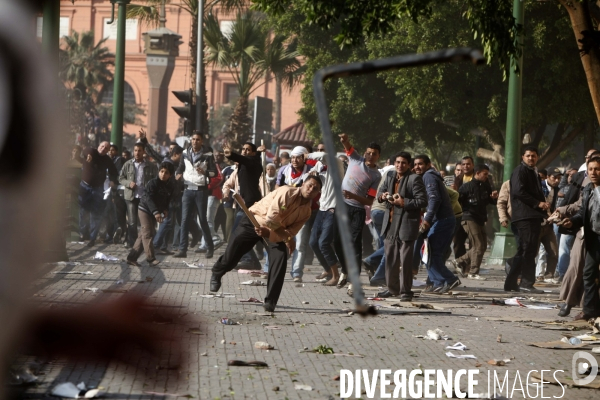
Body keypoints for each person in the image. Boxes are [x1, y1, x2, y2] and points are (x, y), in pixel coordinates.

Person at [210, 177, 322, 312]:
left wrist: (277, 236)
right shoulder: (287, 192)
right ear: (303, 184)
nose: (310, 190)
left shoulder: (306, 212)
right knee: (232, 256)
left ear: (318, 193)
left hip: (273, 233)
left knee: (280, 259)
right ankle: (217, 272)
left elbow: (291, 232)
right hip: (254, 221)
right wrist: (284, 236)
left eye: (315, 189)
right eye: (309, 186)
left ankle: (270, 301)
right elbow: (271, 218)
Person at [375, 152, 427, 300]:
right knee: (390, 258)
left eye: (403, 163)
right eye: (397, 162)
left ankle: (405, 292)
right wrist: (383, 196)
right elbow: (380, 193)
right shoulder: (390, 175)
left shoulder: (414, 179)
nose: (400, 165)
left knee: (405, 260)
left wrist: (404, 202)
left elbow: (422, 201)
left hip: (406, 224)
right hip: (391, 223)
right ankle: (392, 289)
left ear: (408, 165)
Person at [335, 134, 382, 296]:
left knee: (355, 245)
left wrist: (353, 196)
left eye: (374, 153)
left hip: (357, 210)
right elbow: (348, 146)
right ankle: (345, 270)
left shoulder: (377, 176)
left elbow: (369, 201)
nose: (370, 155)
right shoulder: (355, 159)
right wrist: (344, 140)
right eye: (368, 152)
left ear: (378, 156)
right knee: (336, 241)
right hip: (342, 207)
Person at [413, 155, 461, 292]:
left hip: (442, 220)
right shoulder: (428, 176)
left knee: (430, 253)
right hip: (442, 220)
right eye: (415, 164)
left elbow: (434, 199)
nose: (417, 167)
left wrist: (427, 220)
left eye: (420, 164)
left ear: (428, 164)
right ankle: (439, 282)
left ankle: (449, 279)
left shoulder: (429, 176)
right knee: (430, 253)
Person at [561, 155, 600, 320]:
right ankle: (590, 311)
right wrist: (571, 222)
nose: (594, 172)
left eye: (597, 169)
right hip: (594, 239)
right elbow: (583, 213)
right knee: (588, 273)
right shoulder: (587, 190)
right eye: (590, 169)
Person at [505, 146, 548, 294]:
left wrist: (543, 207)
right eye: (528, 156)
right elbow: (518, 191)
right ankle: (526, 283)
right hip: (524, 216)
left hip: (532, 215)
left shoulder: (533, 172)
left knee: (526, 249)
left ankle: (511, 282)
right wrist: (537, 203)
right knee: (528, 250)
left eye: (534, 156)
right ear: (522, 157)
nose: (531, 158)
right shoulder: (520, 171)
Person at [276, 145, 320, 282]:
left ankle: (296, 272)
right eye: (293, 157)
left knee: (300, 243)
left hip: (303, 212)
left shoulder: (311, 173)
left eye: (298, 157)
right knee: (277, 239)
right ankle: (271, 268)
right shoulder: (284, 171)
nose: (294, 160)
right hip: (285, 211)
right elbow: (277, 188)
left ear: (304, 158)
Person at [174, 131, 217, 258]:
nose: (195, 142)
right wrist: (178, 174)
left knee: (203, 220)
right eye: (193, 139)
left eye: (198, 139)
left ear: (202, 141)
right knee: (184, 219)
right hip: (187, 189)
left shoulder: (208, 155)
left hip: (201, 190)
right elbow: (180, 168)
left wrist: (205, 172)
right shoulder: (185, 153)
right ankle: (182, 250)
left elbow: (214, 173)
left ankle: (210, 247)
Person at [452, 164, 498, 279]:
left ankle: (459, 261)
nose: (486, 177)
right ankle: (473, 272)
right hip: (468, 217)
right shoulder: (466, 187)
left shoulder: (485, 187)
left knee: (482, 246)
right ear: (477, 173)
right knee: (478, 245)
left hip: (480, 218)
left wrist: (493, 198)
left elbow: (490, 202)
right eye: (485, 174)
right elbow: (458, 203)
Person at [126, 162, 174, 267]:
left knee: (143, 234)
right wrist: (156, 212)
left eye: (166, 173)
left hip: (154, 212)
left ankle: (131, 257)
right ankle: (151, 259)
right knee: (148, 233)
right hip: (145, 209)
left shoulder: (170, 185)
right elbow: (149, 198)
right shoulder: (153, 183)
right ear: (158, 171)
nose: (163, 174)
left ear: (170, 175)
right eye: (161, 171)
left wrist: (165, 209)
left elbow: (167, 199)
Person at [307, 149, 344, 286]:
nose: (320, 153)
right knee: (313, 242)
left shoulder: (337, 163)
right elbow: (311, 178)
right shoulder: (319, 166)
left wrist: (305, 156)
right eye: (318, 150)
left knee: (324, 243)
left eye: (323, 149)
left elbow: (324, 155)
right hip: (322, 208)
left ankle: (336, 275)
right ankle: (328, 269)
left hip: (333, 209)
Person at [78, 141, 119, 246]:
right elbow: (85, 150)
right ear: (98, 146)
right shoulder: (92, 151)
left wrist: (113, 180)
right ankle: (82, 234)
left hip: (98, 188)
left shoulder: (107, 160)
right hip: (85, 186)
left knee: (96, 213)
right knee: (83, 210)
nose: (103, 149)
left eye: (106, 148)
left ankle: (92, 238)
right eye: (102, 146)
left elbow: (114, 171)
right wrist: (88, 156)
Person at [119, 142, 159, 248]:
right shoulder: (128, 164)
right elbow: (121, 178)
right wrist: (128, 183)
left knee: (145, 223)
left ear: (143, 152)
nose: (137, 153)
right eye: (135, 150)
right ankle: (133, 243)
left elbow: (156, 180)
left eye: (139, 151)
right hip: (131, 197)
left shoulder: (150, 166)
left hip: (145, 198)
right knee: (132, 222)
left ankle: (145, 243)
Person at [535, 168, 561, 280]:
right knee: (533, 251)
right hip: (536, 223)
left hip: (549, 224)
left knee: (553, 251)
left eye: (559, 178)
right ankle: (529, 274)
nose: (556, 180)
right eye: (554, 177)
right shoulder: (539, 186)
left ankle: (549, 275)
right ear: (548, 177)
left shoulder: (556, 189)